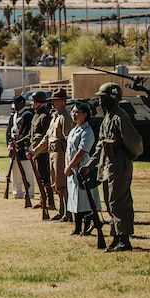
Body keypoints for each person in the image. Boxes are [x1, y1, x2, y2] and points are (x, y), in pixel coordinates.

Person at [95, 82, 144, 253]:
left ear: (112, 99)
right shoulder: (108, 118)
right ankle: (116, 237)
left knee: (119, 201)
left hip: (119, 165)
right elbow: (100, 146)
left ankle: (124, 240)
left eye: (103, 98)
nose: (99, 102)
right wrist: (89, 165)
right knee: (110, 202)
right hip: (108, 165)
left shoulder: (119, 117)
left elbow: (136, 141)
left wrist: (129, 156)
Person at [64, 99, 103, 242]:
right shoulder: (74, 130)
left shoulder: (87, 131)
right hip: (72, 169)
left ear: (85, 114)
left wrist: (70, 166)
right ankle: (77, 226)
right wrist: (67, 165)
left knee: (85, 199)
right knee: (74, 198)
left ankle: (87, 226)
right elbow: (69, 150)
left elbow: (81, 152)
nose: (74, 114)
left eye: (77, 112)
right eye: (73, 112)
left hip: (82, 168)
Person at [47, 88, 75, 222]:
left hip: (61, 152)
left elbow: (69, 138)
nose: (53, 103)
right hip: (52, 152)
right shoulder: (55, 117)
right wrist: (34, 150)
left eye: (56, 101)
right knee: (56, 184)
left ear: (63, 102)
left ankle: (67, 212)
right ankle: (61, 210)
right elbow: (47, 137)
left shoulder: (65, 117)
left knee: (62, 185)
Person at [27, 90, 55, 211]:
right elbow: (30, 134)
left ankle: (50, 201)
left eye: (33, 101)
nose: (32, 104)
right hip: (36, 150)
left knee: (45, 177)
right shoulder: (36, 115)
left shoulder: (45, 116)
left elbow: (45, 136)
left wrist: (37, 149)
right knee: (39, 176)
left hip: (42, 151)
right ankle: (42, 199)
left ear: (40, 103)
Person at [5, 94, 35, 201]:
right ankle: (17, 192)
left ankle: (30, 192)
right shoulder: (13, 116)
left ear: (22, 103)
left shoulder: (27, 115)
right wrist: (10, 142)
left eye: (16, 103)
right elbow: (8, 131)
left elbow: (26, 132)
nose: (15, 105)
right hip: (13, 146)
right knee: (15, 171)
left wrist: (18, 143)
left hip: (23, 147)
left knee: (27, 171)